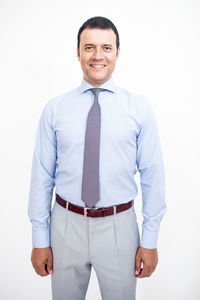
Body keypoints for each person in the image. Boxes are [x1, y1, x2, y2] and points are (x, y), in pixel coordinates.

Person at [28, 16, 166, 300]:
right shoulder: (55, 109)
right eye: (89, 47)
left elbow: (153, 175)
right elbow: (42, 176)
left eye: (106, 47)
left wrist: (150, 240)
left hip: (119, 227)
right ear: (78, 52)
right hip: (65, 225)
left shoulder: (139, 109)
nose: (97, 55)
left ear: (117, 53)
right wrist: (40, 238)